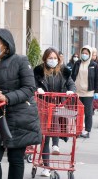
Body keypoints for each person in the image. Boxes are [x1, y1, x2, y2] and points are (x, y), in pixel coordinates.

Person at [0, 28, 42, 179]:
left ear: (6, 45)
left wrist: (6, 97)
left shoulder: (20, 61)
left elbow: (29, 88)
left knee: (16, 159)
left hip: (20, 116)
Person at [34, 47, 76, 177]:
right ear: (45, 59)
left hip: (58, 104)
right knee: (45, 136)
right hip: (43, 105)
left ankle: (56, 145)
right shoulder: (38, 72)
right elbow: (31, 84)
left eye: (55, 58)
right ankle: (46, 167)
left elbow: (71, 84)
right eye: (50, 58)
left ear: (58, 59)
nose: (52, 60)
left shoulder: (63, 72)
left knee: (55, 125)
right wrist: (37, 89)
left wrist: (70, 91)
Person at [71, 45, 98, 138]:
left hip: (88, 93)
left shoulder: (93, 65)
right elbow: (72, 77)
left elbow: (97, 79)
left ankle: (87, 131)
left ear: (90, 54)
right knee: (77, 112)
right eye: (83, 53)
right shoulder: (77, 63)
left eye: (86, 53)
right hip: (77, 92)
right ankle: (78, 130)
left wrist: (96, 91)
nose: (84, 55)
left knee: (88, 113)